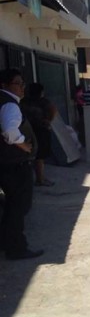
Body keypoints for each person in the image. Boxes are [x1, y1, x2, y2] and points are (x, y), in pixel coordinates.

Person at [0, 68, 44, 260]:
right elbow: (10, 131)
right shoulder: (9, 105)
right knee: (19, 207)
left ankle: (7, 241)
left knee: (11, 205)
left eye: (23, 84)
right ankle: (16, 248)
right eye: (18, 83)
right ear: (5, 85)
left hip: (6, 163)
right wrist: (23, 145)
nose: (22, 88)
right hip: (14, 165)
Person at [20, 83, 58, 186]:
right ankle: (40, 179)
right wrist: (48, 121)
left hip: (26, 130)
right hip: (41, 130)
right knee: (40, 156)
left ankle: (32, 178)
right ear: (41, 92)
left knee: (29, 154)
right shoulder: (43, 102)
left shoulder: (24, 102)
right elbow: (53, 110)